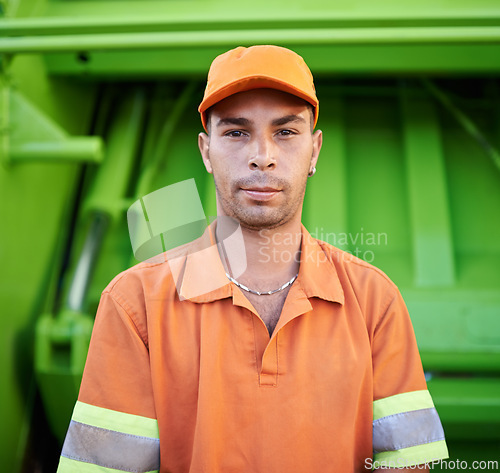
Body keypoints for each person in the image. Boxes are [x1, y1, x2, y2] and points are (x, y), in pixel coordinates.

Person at [56, 45, 449, 473]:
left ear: (314, 151)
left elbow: (409, 466)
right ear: (206, 151)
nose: (262, 155)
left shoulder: (375, 300)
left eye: (285, 132)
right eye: (236, 133)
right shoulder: (135, 303)